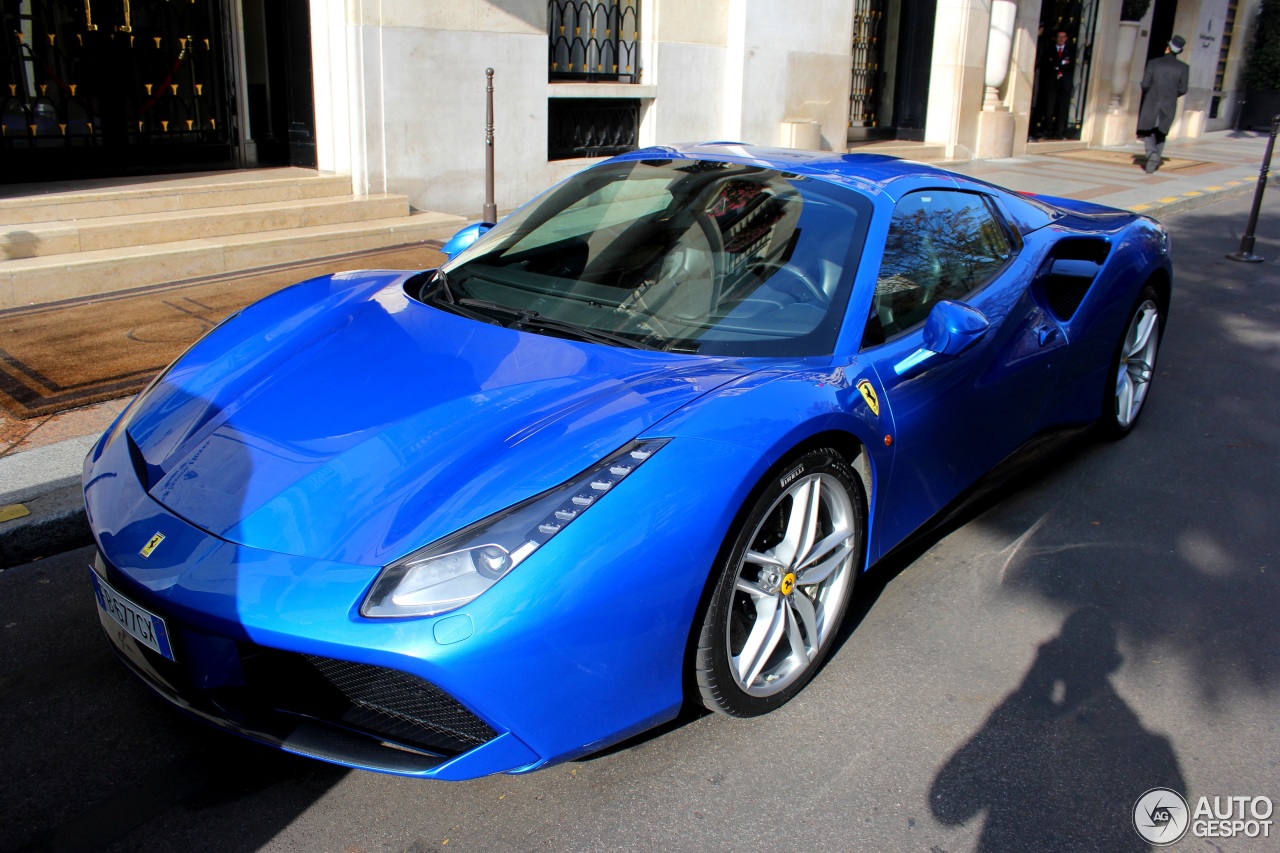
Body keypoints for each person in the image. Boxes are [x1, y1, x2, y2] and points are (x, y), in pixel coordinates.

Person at [1137, 36, 1190, 173]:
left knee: (1148, 131)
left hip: (1152, 101)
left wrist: (1150, 92)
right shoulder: (1184, 67)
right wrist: (1172, 95)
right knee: (1161, 133)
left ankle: (1151, 153)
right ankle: (1154, 161)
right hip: (1169, 104)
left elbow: (1145, 84)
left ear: (1167, 48)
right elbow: (1183, 89)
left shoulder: (1154, 63)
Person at [1038, 30, 1076, 138]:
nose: (1061, 39)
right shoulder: (1050, 49)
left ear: (1066, 38)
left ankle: (1059, 131)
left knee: (1062, 109)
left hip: (1065, 84)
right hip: (1052, 83)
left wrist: (1058, 66)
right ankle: (1048, 130)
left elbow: (1070, 65)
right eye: (1059, 37)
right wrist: (1061, 64)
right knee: (1050, 108)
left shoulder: (1071, 50)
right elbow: (1048, 64)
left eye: (1063, 37)